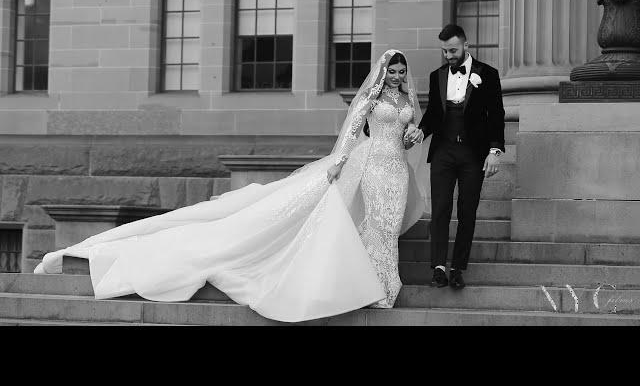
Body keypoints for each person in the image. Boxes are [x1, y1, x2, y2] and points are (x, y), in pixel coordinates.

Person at [34, 49, 429, 323]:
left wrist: (412, 137)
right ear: (382, 72)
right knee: (375, 222)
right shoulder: (369, 100)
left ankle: (383, 280)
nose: (396, 76)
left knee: (386, 225)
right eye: (391, 71)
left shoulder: (407, 98)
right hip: (369, 165)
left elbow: (410, 130)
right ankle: (382, 285)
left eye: (400, 71)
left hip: (396, 168)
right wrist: (338, 164)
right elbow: (348, 136)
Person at [406, 24, 505, 290]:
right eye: (444, 51)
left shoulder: (488, 74)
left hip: (473, 154)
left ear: (466, 46)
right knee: (439, 209)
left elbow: (496, 115)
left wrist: (495, 150)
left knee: (467, 211)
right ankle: (438, 267)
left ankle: (458, 268)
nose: (448, 55)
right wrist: (421, 131)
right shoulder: (437, 75)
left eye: (453, 50)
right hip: (443, 152)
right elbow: (434, 115)